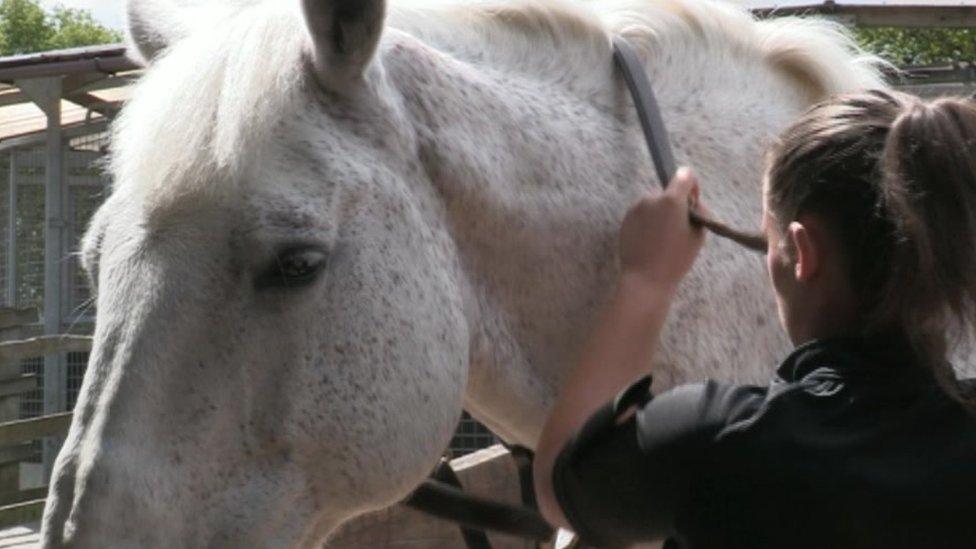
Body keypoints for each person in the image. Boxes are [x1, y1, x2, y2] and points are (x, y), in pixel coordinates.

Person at [533, 89, 976, 549]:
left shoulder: (715, 439)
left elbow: (557, 486)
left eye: (770, 240)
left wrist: (645, 283)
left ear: (803, 254)